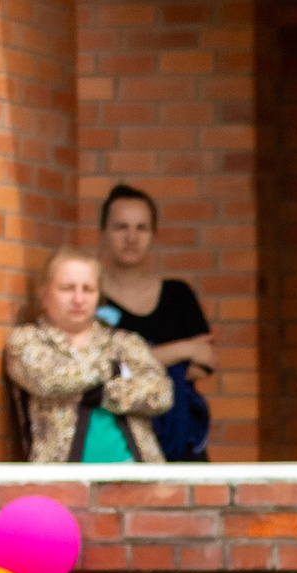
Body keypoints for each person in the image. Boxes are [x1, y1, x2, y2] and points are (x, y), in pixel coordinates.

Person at [3, 248, 171, 463]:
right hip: (59, 476)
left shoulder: (124, 342)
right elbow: (49, 379)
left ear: (99, 296)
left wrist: (99, 394)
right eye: (67, 288)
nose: (78, 298)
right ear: (44, 294)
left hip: (135, 473)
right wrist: (113, 370)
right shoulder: (27, 341)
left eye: (88, 289)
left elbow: (161, 393)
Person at [95, 184, 214, 461]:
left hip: (180, 435)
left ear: (153, 234)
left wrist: (134, 369)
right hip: (119, 441)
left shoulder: (178, 294)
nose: (131, 237)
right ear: (102, 233)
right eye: (121, 227)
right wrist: (184, 350)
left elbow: (205, 362)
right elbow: (102, 369)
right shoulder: (90, 298)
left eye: (142, 228)